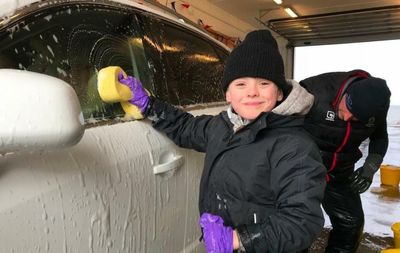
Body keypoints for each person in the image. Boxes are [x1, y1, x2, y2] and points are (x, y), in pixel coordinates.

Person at [111, 30, 326, 252]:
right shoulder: (222, 126)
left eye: (264, 83)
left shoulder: (294, 146)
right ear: (228, 94)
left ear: (279, 93)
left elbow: (302, 221)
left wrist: (237, 240)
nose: (252, 92)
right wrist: (148, 105)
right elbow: (186, 127)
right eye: (241, 84)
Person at [299, 70, 391, 253]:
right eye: (349, 106)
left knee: (351, 223)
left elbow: (380, 139)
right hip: (303, 168)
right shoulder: (314, 90)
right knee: (298, 222)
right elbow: (277, 123)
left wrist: (369, 169)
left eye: (357, 118)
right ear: (347, 92)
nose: (347, 117)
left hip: (340, 172)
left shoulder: (376, 108)